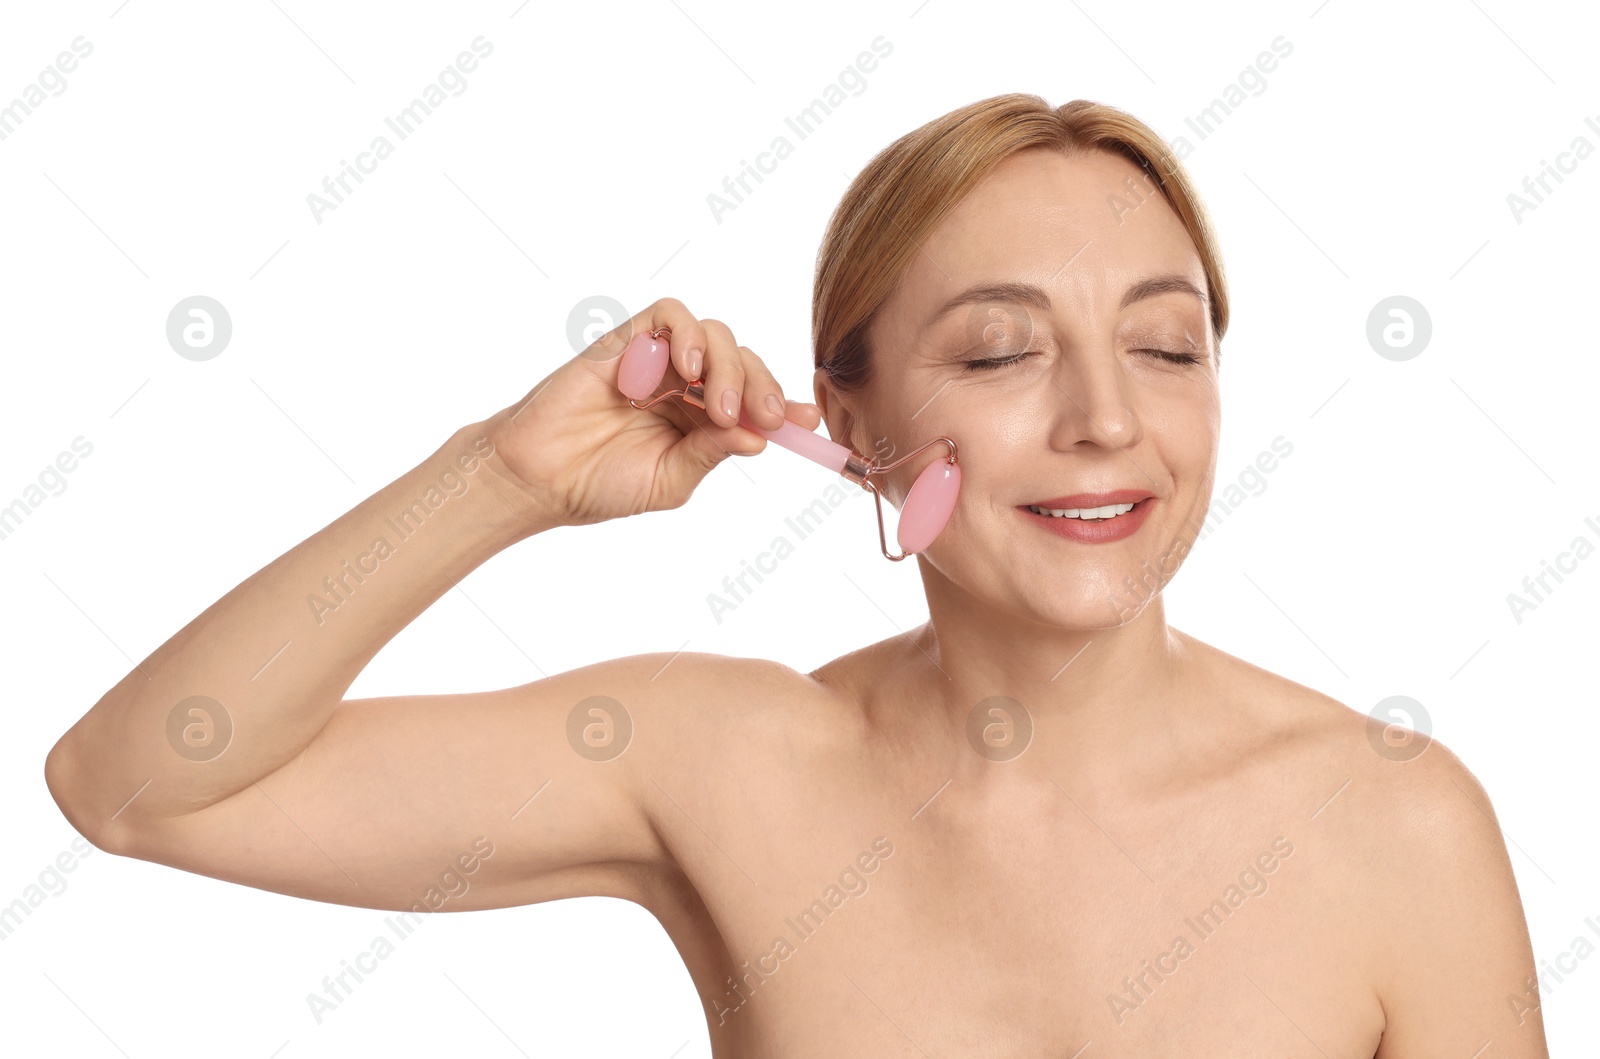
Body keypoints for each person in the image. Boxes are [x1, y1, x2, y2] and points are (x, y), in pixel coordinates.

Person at [44, 94, 1548, 1055]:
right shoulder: (722, 764)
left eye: (1166, 346)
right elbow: (141, 784)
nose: (1107, 419)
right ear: (854, 422)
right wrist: (501, 479)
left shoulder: (1395, 828)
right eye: (1003, 351)